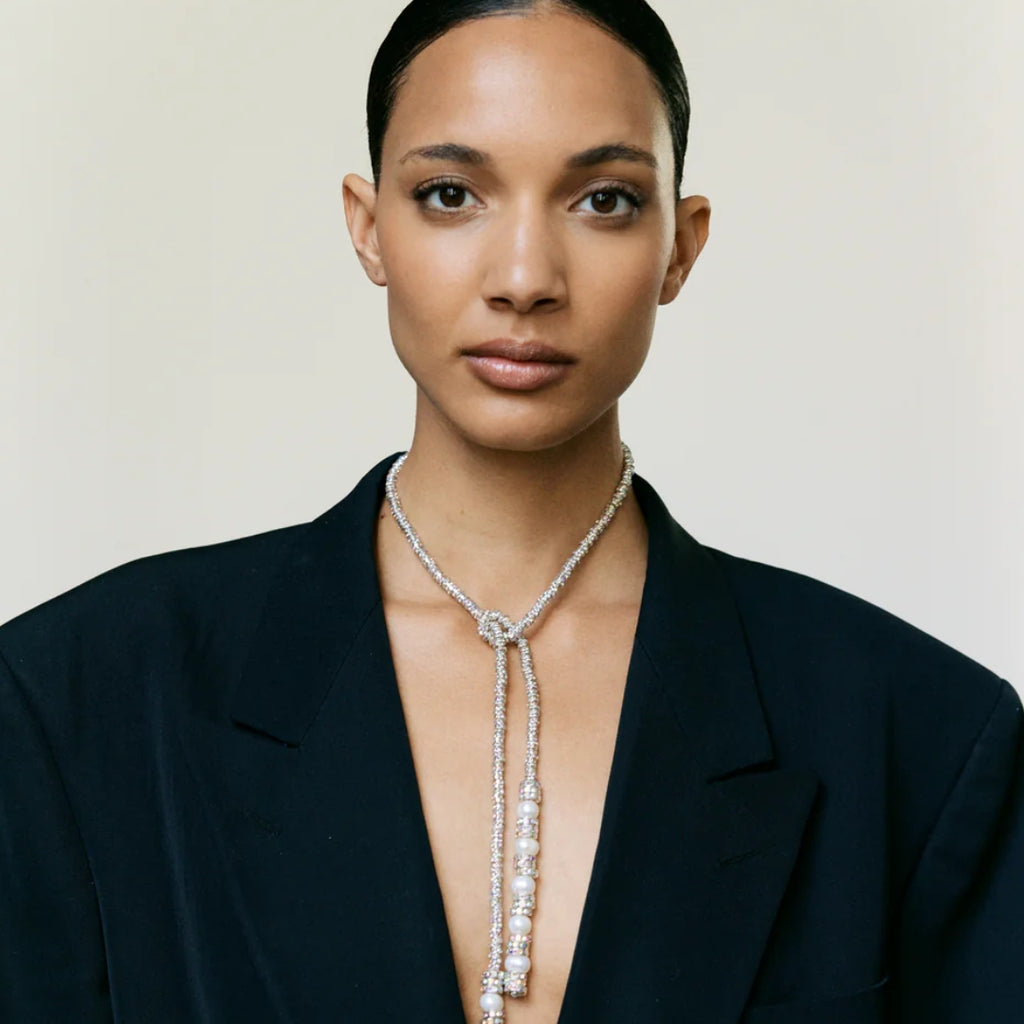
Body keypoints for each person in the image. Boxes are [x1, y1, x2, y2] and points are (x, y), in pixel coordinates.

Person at [1, 1, 1020, 1021]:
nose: (525, 278)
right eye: (451, 194)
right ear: (369, 228)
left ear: (681, 245)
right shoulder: (76, 698)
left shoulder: (917, 735)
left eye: (605, 201)